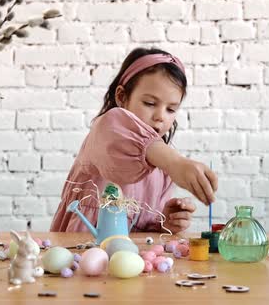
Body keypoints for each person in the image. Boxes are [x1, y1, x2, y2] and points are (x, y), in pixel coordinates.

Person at [50, 47, 218, 234]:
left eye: (171, 109)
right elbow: (130, 138)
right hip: (79, 252)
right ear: (122, 97)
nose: (160, 116)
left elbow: (143, 228)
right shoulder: (106, 128)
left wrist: (164, 222)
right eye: (150, 104)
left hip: (129, 259)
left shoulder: (163, 164)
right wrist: (175, 162)